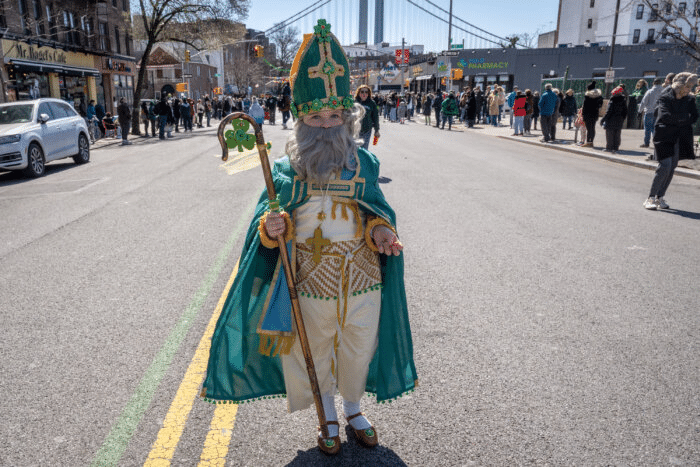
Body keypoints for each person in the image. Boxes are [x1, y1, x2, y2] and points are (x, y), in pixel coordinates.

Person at [201, 20, 417, 457]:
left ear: (346, 117)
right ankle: (328, 416)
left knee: (359, 342)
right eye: (315, 116)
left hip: (362, 274)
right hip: (309, 277)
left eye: (333, 115)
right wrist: (269, 228)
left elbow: (375, 211)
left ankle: (354, 409)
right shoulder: (285, 169)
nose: (325, 125)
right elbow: (266, 218)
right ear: (301, 118)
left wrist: (381, 231)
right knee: (315, 347)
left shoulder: (365, 165)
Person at [643, 72, 698, 210]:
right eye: (688, 87)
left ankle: (660, 197)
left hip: (680, 136)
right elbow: (665, 116)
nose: (689, 90)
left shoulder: (689, 99)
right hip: (664, 135)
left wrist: (679, 119)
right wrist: (684, 118)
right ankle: (650, 197)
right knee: (665, 166)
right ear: (680, 86)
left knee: (672, 167)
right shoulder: (665, 96)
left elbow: (695, 116)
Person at [600, 86, 628, 153]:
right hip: (619, 120)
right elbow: (625, 112)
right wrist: (622, 119)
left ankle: (609, 147)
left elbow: (609, 111)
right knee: (617, 134)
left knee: (609, 134)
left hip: (611, 120)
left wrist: (603, 119)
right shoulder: (623, 101)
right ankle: (616, 147)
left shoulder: (612, 100)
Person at [638, 77, 664, 148]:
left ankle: (646, 143)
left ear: (653, 83)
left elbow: (644, 102)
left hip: (649, 112)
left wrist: (640, 111)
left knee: (647, 129)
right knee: (655, 129)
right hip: (659, 113)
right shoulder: (664, 91)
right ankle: (657, 143)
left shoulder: (650, 91)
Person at [355, 85, 379, 149]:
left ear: (368, 94)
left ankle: (363, 159)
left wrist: (377, 130)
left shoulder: (372, 103)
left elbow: (375, 117)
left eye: (366, 92)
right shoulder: (354, 102)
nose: (364, 93)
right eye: (362, 92)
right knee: (356, 149)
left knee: (364, 149)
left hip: (367, 130)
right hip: (356, 130)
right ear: (359, 93)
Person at [580, 81, 603, 147]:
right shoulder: (599, 96)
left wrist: (583, 115)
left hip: (587, 114)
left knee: (588, 129)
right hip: (595, 114)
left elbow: (585, 107)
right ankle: (591, 141)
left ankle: (588, 142)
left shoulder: (587, 96)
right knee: (592, 128)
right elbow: (600, 105)